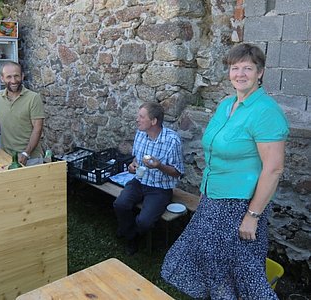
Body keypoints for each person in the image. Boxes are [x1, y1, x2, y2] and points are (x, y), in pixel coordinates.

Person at [161, 43, 289, 299]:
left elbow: (273, 169)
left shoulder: (265, 112)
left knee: (244, 273)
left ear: (260, 72)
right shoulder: (226, 104)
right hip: (214, 197)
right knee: (213, 262)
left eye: (247, 68)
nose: (240, 74)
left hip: (240, 206)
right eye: (235, 68)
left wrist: (252, 216)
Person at [113, 102, 184, 255]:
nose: (137, 119)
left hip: (160, 188)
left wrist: (159, 166)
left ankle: (130, 233)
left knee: (144, 221)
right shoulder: (140, 133)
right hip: (139, 181)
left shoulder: (172, 140)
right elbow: (136, 161)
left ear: (153, 121)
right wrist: (132, 166)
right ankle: (131, 237)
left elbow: (177, 172)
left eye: (141, 117)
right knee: (120, 204)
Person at [0, 61, 45, 166]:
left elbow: (37, 129)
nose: (13, 80)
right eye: (9, 77)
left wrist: (26, 153)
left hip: (31, 159)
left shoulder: (33, 98)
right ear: (2, 78)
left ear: (22, 76)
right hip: (6, 157)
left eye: (16, 76)